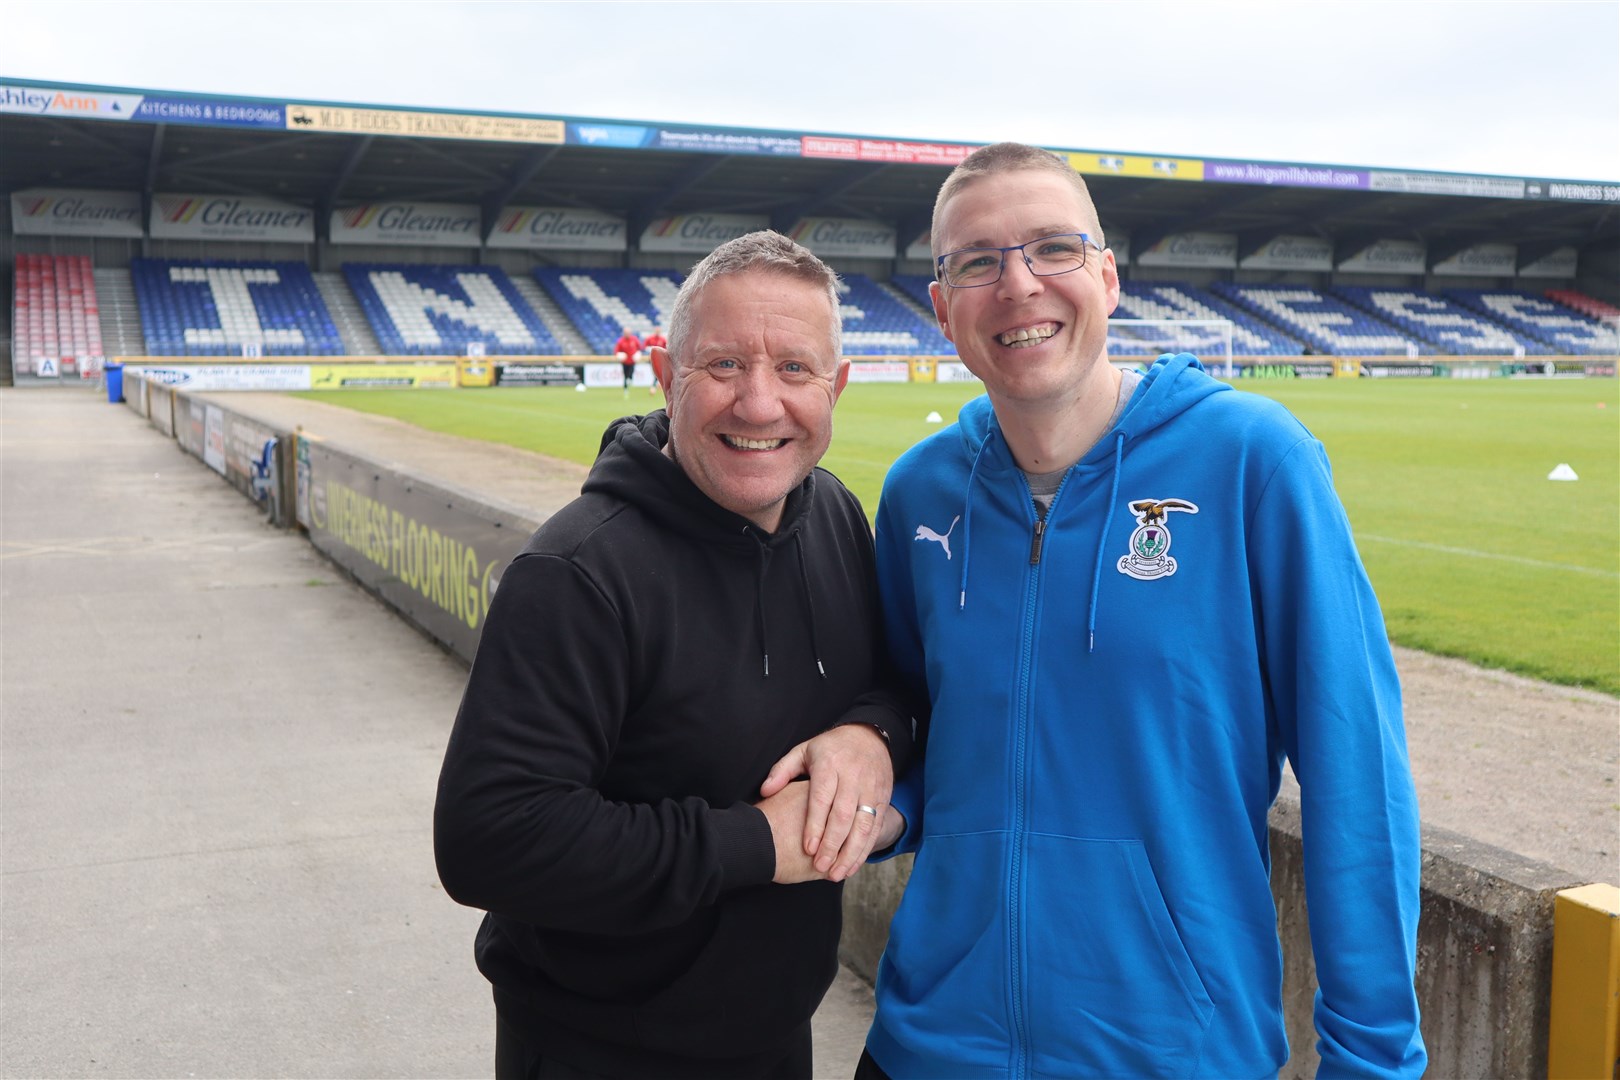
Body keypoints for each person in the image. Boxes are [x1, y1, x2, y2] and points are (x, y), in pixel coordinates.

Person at [859, 144, 1426, 1078]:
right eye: (977, 261)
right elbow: (913, 722)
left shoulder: (1254, 461)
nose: (1018, 283)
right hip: (926, 1046)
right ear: (942, 307)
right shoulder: (921, 495)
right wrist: (881, 798)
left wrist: (1372, 1059)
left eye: (1054, 248)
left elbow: (1355, 776)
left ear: (1108, 276)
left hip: (1172, 1053)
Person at [435, 231, 912, 1080]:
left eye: (796, 370)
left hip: (774, 1035)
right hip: (598, 1050)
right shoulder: (577, 572)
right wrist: (755, 843)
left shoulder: (836, 515)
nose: (760, 404)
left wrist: (871, 734)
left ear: (837, 389)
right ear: (665, 374)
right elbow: (489, 839)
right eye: (724, 365)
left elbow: (890, 682)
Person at [613, 325, 642, 397]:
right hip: (624, 362)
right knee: (625, 376)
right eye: (626, 333)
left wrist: (637, 354)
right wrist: (620, 355)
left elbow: (640, 348)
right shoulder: (620, 341)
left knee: (630, 373)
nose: (627, 334)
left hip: (632, 361)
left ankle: (629, 381)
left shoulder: (634, 339)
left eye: (628, 332)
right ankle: (626, 389)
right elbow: (616, 351)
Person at [643, 325, 669, 396]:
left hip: (660, 359)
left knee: (658, 373)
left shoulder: (662, 339)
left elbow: (666, 348)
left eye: (659, 331)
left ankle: (654, 388)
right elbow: (644, 347)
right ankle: (656, 387)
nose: (658, 332)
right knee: (656, 374)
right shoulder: (650, 339)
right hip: (651, 359)